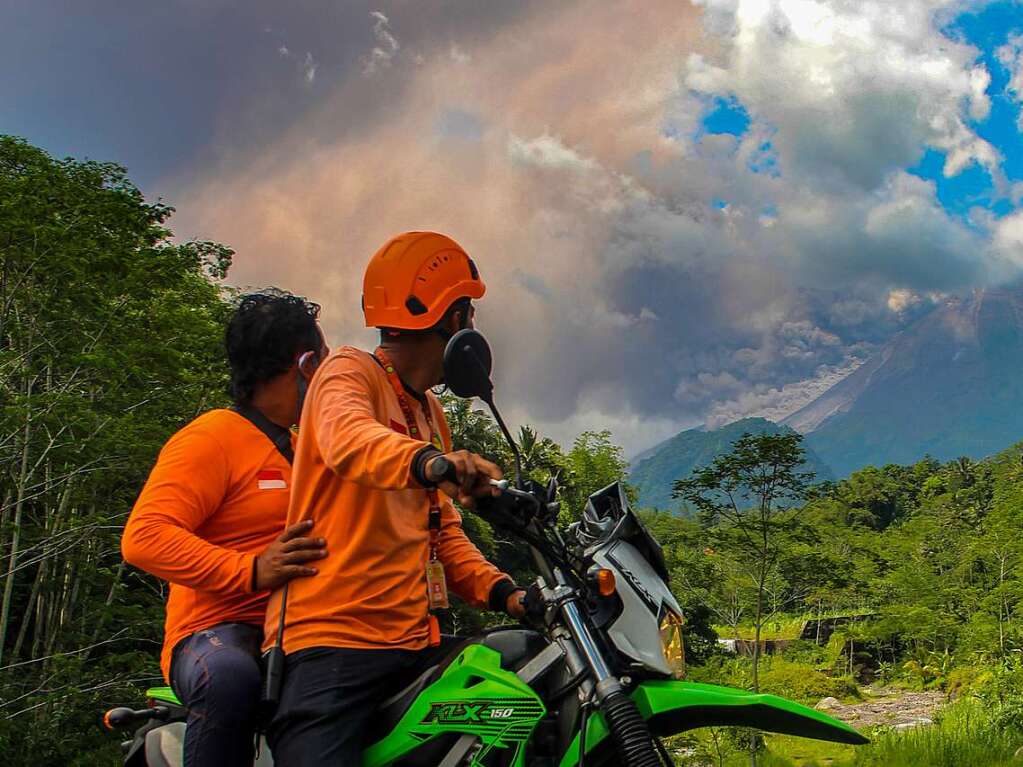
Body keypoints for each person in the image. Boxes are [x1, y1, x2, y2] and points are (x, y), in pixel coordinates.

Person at [266, 231, 526, 765]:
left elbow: (442, 533)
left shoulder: (430, 412)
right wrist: (428, 462)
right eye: (469, 312)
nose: (473, 327)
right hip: (332, 645)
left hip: (414, 642)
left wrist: (506, 593)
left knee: (526, 708)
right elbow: (347, 439)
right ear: (454, 320)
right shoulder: (348, 373)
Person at [121, 290, 330, 767]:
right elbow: (144, 537)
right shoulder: (212, 437)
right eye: (325, 362)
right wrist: (252, 570)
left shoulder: (305, 450)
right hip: (213, 632)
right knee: (230, 678)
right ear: (304, 364)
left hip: (300, 626)